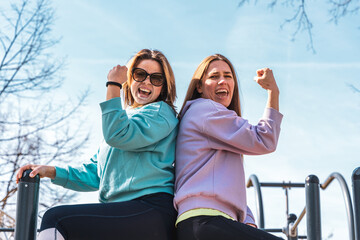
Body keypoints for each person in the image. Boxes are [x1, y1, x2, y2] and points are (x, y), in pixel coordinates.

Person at [16, 49, 178, 240]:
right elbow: (95, 175)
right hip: (120, 210)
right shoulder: (122, 119)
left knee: (57, 220)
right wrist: (49, 171)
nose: (147, 82)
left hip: (150, 208)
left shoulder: (160, 113)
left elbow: (118, 134)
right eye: (140, 74)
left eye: (156, 78)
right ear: (130, 78)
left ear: (163, 87)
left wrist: (113, 85)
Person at [174, 54, 283, 240]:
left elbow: (224, 184)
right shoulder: (206, 111)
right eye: (214, 76)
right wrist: (273, 92)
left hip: (203, 222)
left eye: (228, 76)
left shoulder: (211, 124)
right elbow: (265, 139)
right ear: (199, 86)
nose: (223, 81)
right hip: (206, 221)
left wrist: (247, 218)